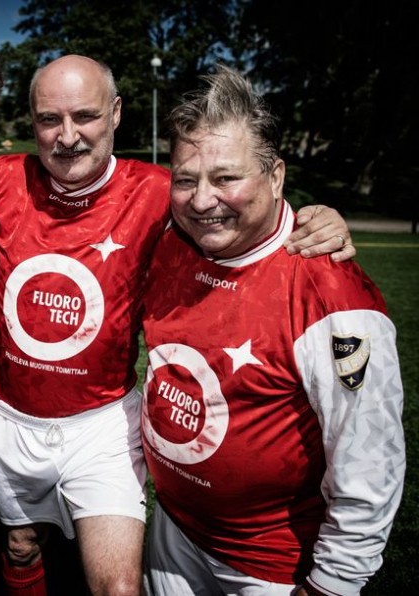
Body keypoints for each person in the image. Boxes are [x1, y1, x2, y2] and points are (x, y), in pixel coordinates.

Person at [0, 54, 355, 596]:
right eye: (49, 120)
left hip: (104, 423)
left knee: (118, 586)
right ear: (31, 122)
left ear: (117, 113)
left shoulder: (162, 191)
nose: (67, 136)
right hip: (8, 416)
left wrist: (316, 217)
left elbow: (240, 207)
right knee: (20, 545)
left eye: (85, 116)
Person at [140, 65, 405, 595]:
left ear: (277, 176)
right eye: (187, 178)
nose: (201, 199)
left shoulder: (332, 296)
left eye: (227, 177)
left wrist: (332, 583)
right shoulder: (171, 238)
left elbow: (370, 464)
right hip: (172, 529)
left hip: (271, 566)